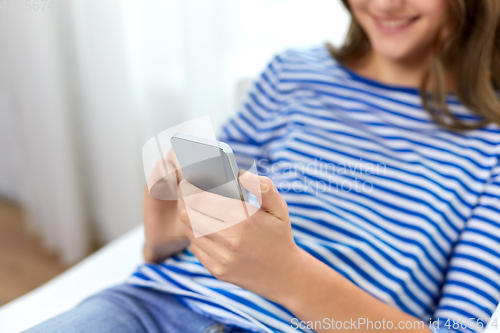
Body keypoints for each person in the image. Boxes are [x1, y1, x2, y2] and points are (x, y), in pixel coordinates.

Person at [27, 0, 500, 332]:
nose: (384, 4)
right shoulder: (291, 73)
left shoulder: (491, 146)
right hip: (154, 305)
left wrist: (288, 274)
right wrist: (165, 230)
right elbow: (218, 222)